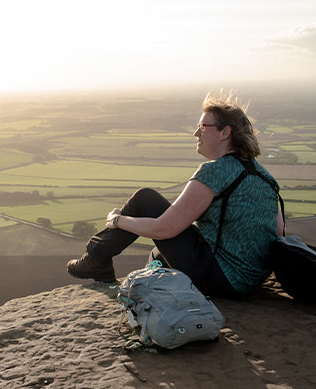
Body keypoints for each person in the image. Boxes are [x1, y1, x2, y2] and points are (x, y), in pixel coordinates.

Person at [67, 91, 284, 298]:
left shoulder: (215, 171)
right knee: (157, 257)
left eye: (202, 126)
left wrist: (117, 220)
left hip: (219, 278)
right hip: (250, 281)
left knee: (145, 199)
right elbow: (278, 232)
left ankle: (96, 258)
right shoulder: (265, 177)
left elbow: (164, 229)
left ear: (225, 132)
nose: (196, 133)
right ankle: (126, 272)